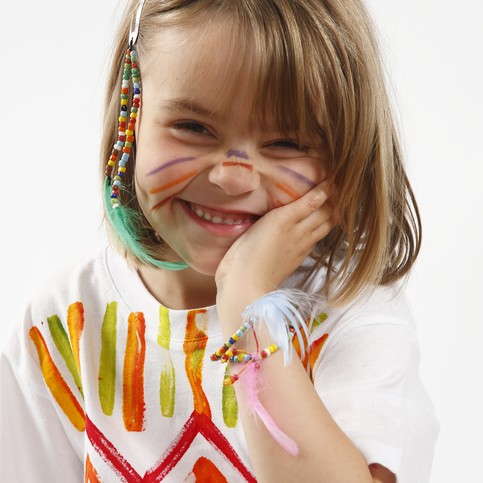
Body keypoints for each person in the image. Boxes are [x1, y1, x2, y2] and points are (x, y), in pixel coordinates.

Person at [0, 0, 439, 481]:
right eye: (192, 127)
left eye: (286, 143)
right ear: (131, 110)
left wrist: (248, 300)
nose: (233, 177)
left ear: (347, 153)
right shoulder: (64, 320)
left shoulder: (353, 317)